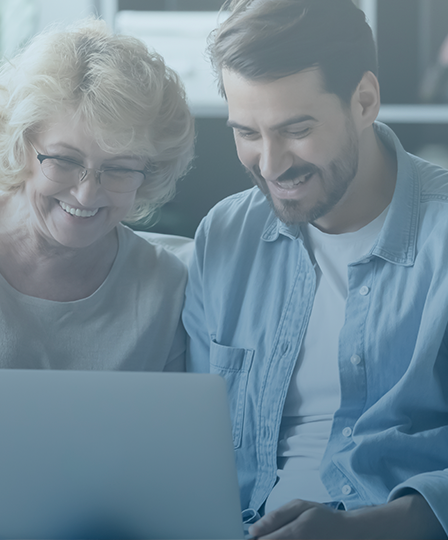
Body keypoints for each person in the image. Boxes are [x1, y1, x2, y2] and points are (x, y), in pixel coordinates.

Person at [0, 18, 194, 540]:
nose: (87, 194)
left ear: (149, 173)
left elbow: (170, 462)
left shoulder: (166, 282)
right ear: (22, 145)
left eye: (119, 169)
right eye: (64, 161)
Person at [183, 0, 448, 538]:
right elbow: (193, 440)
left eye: (296, 128)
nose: (272, 164)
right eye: (248, 133)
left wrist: (366, 531)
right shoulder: (225, 235)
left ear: (365, 100)